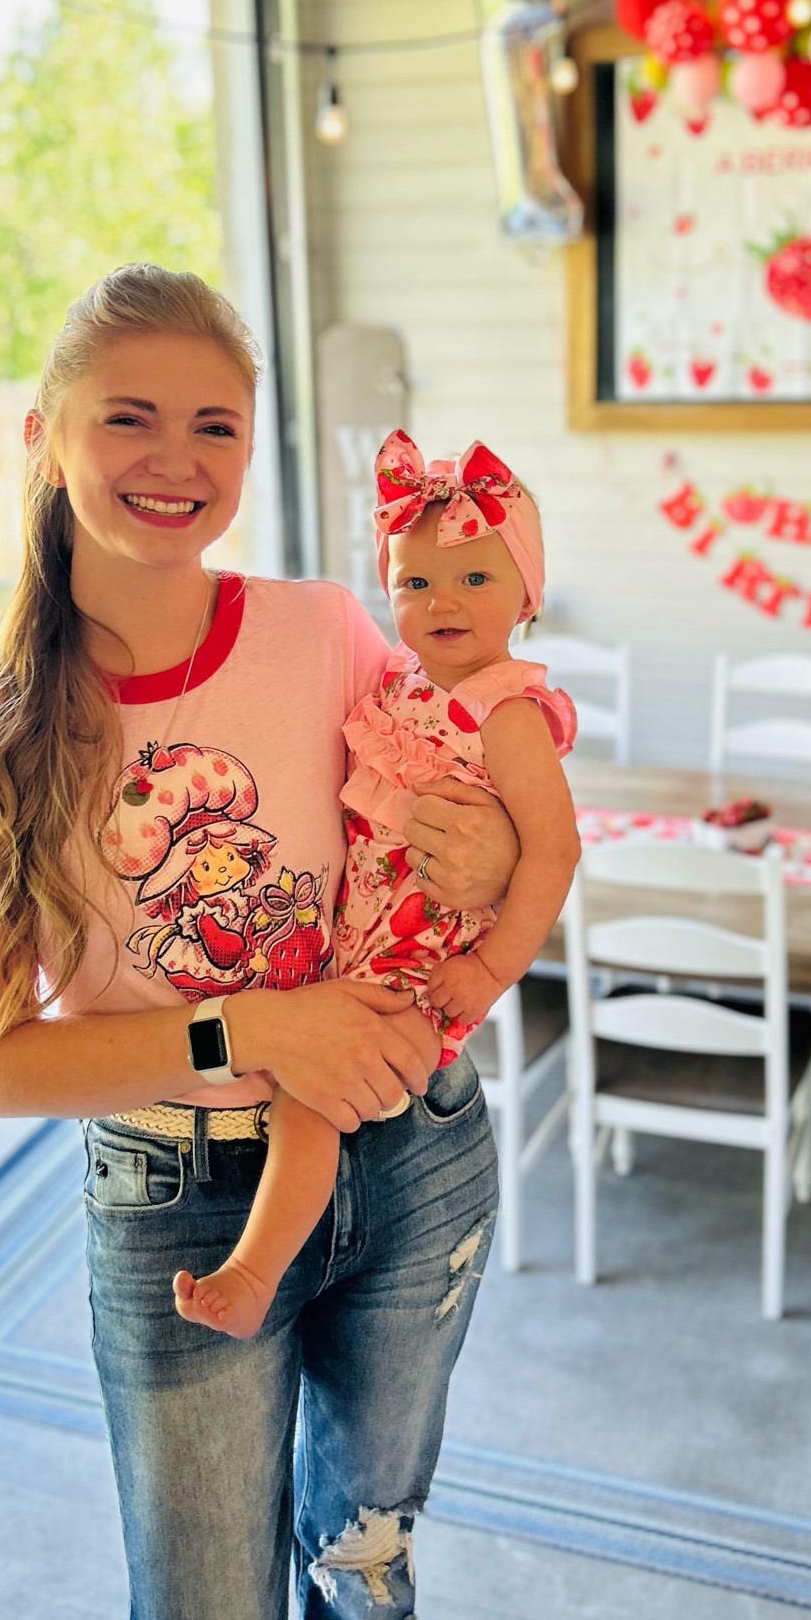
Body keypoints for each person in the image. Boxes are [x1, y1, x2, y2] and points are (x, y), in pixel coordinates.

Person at [0, 265, 522, 1620]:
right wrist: (254, 1026)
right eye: (130, 417)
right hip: (177, 1199)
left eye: (217, 426)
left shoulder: (323, 632)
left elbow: (475, 818)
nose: (175, 460)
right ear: (46, 434)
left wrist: (490, 842)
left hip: (412, 1150)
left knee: (364, 1565)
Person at [175, 431, 580, 1339]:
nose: (443, 601)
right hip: (355, 936)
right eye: (415, 581)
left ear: (527, 595)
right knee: (301, 1087)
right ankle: (290, 1267)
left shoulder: (507, 712)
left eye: (476, 580)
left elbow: (554, 852)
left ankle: (252, 1274)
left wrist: (490, 974)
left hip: (426, 956)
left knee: (307, 1103)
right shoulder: (395, 678)